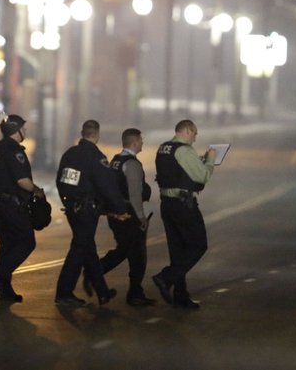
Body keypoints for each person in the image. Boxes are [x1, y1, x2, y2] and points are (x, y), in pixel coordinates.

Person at [54, 120, 129, 306]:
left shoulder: (70, 155)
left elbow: (62, 181)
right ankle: (64, 293)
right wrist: (120, 209)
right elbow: (108, 186)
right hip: (87, 210)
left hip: (72, 208)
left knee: (87, 248)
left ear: (82, 133)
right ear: (97, 134)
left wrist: (68, 200)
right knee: (80, 249)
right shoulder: (96, 157)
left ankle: (102, 292)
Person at [86, 128, 156, 306]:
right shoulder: (132, 164)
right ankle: (130, 291)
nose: (142, 143)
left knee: (126, 250)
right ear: (133, 143)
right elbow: (134, 194)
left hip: (115, 212)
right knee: (136, 254)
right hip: (128, 214)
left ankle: (132, 290)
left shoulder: (115, 161)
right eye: (140, 140)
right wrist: (141, 217)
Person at [152, 119, 216, 309]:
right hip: (183, 205)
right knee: (198, 245)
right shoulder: (184, 150)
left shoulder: (163, 148)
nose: (195, 138)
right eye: (195, 133)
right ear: (187, 131)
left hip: (167, 204)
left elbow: (176, 173)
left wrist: (199, 162)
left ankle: (181, 297)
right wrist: (210, 160)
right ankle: (165, 277)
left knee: (178, 251)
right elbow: (202, 176)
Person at [0, 114, 43, 303]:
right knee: (26, 242)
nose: (25, 131)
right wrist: (37, 191)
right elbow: (22, 181)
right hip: (12, 205)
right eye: (23, 128)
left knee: (8, 245)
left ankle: (5, 291)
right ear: (16, 130)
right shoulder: (14, 150)